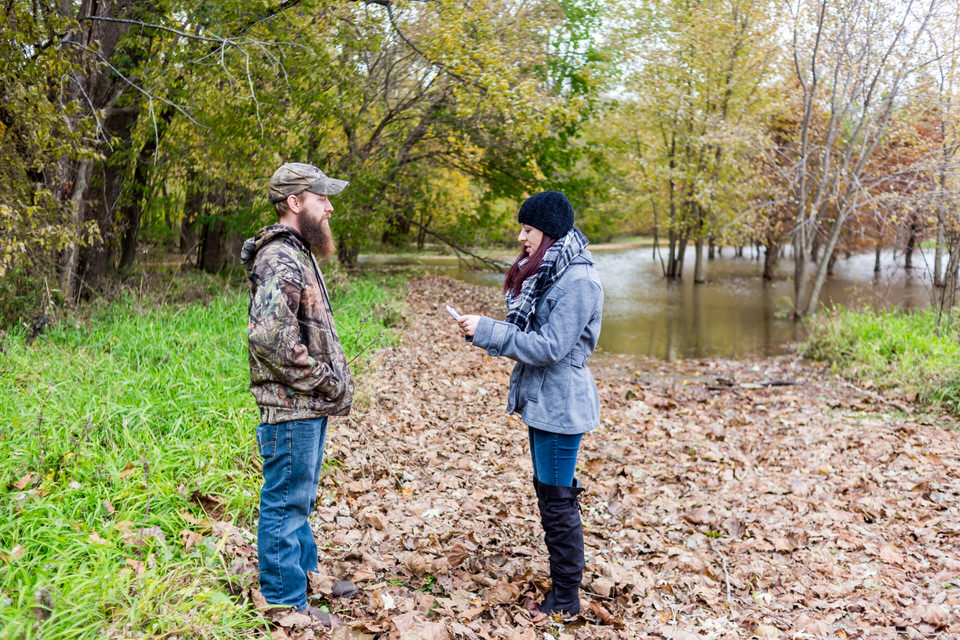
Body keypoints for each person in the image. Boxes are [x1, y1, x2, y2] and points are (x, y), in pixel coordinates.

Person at [456, 190, 603, 619]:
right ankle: (563, 587)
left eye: (528, 229)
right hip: (544, 401)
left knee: (558, 499)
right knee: (549, 494)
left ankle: (566, 597)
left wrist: (488, 331)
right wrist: (486, 329)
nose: (521, 237)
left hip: (562, 407)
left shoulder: (579, 281)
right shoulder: (553, 272)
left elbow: (550, 348)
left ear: (550, 232)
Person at [239, 162, 357, 627]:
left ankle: (303, 578)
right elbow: (270, 340)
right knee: (286, 501)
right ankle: (286, 604)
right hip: (293, 406)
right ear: (294, 203)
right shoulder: (280, 259)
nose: (329, 207)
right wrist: (326, 379)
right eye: (320, 197)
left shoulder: (297, 253)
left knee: (300, 498)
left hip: (306, 405)